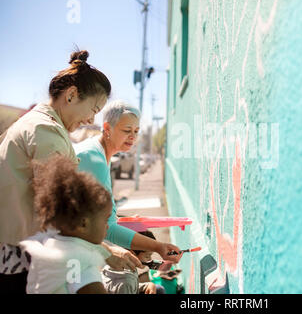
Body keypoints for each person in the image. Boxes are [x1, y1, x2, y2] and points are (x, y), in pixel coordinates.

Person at [0, 49, 111, 293]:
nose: (91, 119)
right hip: (24, 256)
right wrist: (106, 251)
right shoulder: (46, 132)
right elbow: (63, 212)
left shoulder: (37, 123)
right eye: (94, 109)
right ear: (71, 95)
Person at [74, 101, 182, 267]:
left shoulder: (98, 152)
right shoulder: (94, 158)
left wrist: (125, 221)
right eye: (126, 130)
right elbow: (107, 228)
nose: (133, 136)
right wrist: (158, 247)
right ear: (107, 128)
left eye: (136, 131)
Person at [20, 155, 112, 294]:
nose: (107, 226)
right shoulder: (78, 262)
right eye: (106, 219)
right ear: (83, 224)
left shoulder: (52, 245)